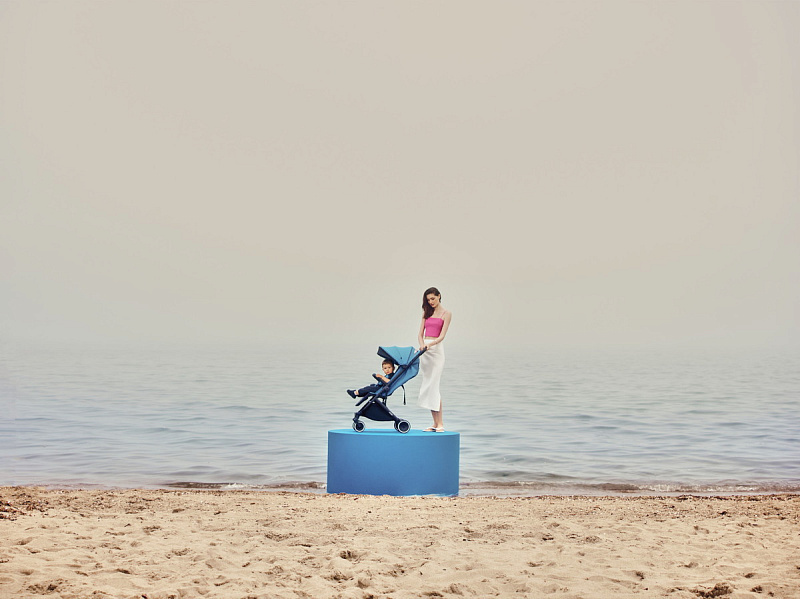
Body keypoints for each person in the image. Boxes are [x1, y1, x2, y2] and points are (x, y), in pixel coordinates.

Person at [417, 286, 452, 432]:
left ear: (439, 296)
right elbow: (420, 334)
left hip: (436, 349)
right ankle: (435, 423)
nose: (431, 302)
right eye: (428, 300)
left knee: (434, 385)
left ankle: (440, 423)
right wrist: (422, 345)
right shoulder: (426, 313)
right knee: (428, 385)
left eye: (433, 298)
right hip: (424, 350)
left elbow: (442, 336)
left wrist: (430, 345)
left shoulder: (446, 313)